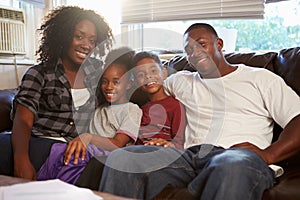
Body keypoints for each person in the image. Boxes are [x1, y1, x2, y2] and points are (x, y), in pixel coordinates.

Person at [99, 23, 300, 200]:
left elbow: (296, 118)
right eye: (188, 49)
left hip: (236, 156)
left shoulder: (260, 78)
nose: (195, 52)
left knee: (230, 165)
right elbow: (148, 83)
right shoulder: (181, 81)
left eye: (201, 44)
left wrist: (268, 155)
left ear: (219, 44)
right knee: (122, 158)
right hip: (187, 158)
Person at [0, 6, 114, 180]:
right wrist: (21, 160)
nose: (86, 45)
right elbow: (23, 119)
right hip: (40, 144)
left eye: (92, 40)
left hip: (75, 148)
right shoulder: (39, 73)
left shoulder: (99, 75)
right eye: (79, 36)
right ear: (64, 36)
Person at [37, 47, 143, 184]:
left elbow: (117, 144)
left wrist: (88, 138)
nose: (109, 87)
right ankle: (40, 186)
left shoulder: (132, 110)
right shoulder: (99, 109)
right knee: (59, 150)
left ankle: (61, 189)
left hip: (108, 154)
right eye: (105, 81)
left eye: (116, 82)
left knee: (77, 156)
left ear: (129, 84)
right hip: (88, 150)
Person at [132, 51, 186, 149]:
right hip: (140, 152)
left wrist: (168, 144)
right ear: (136, 82)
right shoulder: (139, 110)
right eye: (141, 75)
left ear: (164, 73)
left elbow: (180, 143)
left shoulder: (175, 106)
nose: (148, 76)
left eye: (153, 71)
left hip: (163, 152)